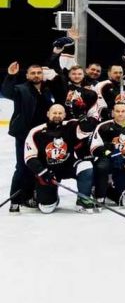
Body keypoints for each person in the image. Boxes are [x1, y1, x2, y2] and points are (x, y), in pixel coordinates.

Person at [3, 61, 56, 212]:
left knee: (37, 166)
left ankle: (30, 195)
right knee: (22, 167)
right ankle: (15, 200)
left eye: (39, 73)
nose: (36, 75)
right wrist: (11, 76)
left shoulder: (47, 90)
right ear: (27, 75)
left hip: (42, 136)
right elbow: (7, 92)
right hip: (24, 135)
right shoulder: (21, 89)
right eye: (33, 73)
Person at [24, 104, 96, 213]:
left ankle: (84, 199)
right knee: (46, 208)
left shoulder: (70, 125)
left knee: (86, 165)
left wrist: (82, 118)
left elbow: (87, 130)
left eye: (60, 113)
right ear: (48, 114)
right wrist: (43, 172)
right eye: (54, 113)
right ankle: (50, 195)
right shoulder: (36, 132)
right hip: (48, 171)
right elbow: (29, 158)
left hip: (68, 166)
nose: (57, 115)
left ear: (65, 115)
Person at [90, 101, 125, 207]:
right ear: (113, 112)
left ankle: (108, 190)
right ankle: (99, 195)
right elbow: (94, 147)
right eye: (117, 111)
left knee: (122, 195)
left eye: (123, 111)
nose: (120, 114)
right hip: (108, 160)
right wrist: (110, 153)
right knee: (101, 166)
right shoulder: (103, 126)